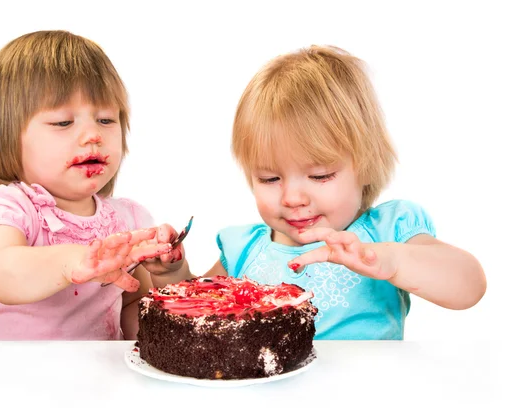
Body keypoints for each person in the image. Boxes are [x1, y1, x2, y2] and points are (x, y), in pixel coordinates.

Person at [154, 45, 486, 340]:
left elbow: (469, 285)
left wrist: (392, 261)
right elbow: (196, 315)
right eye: (270, 179)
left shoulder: (387, 231)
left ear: (366, 166)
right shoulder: (244, 249)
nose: (293, 198)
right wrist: (174, 274)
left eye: (320, 175)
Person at [0, 30, 185, 341]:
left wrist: (167, 275)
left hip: (100, 384)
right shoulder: (8, 207)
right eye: (63, 122)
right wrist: (75, 261)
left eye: (106, 120)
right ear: (5, 139)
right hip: (10, 381)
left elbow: (135, 302)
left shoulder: (128, 221)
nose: (92, 135)